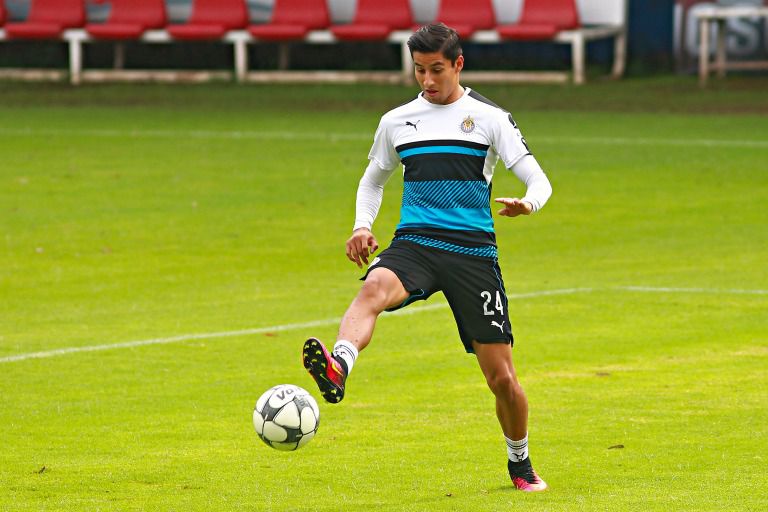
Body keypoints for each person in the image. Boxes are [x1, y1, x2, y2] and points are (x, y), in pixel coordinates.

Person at [302, 23, 552, 492]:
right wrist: (362, 225)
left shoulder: (490, 117)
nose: (427, 80)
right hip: (415, 242)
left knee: (502, 379)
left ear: (458, 64)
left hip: (473, 253)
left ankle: (519, 462)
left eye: (436, 69)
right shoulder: (397, 121)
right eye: (419, 70)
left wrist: (528, 202)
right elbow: (373, 180)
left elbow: (539, 179)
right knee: (373, 289)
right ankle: (339, 366)